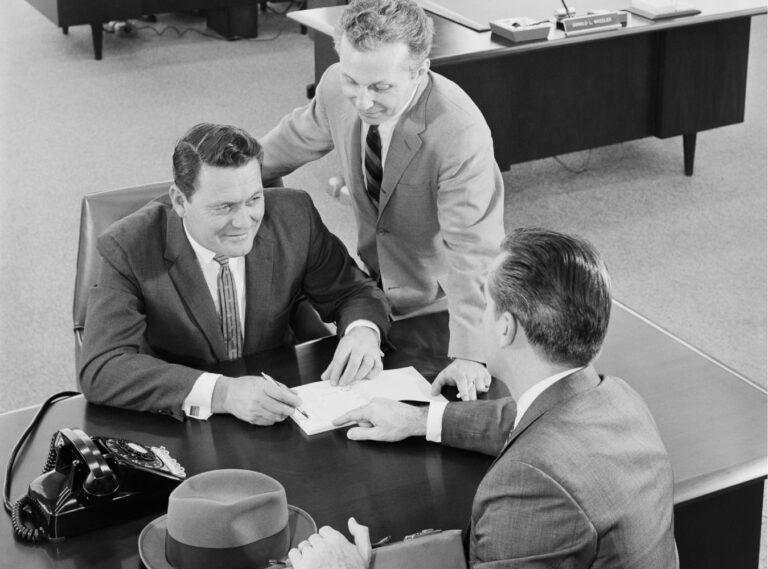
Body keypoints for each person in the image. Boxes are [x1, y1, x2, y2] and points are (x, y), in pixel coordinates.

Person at [287, 228, 679, 568]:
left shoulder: (528, 485)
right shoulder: (617, 398)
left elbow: (541, 462)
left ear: (506, 328)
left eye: (485, 299)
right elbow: (524, 420)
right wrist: (419, 420)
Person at [260, 0, 505, 400]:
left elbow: (473, 253)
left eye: (380, 87)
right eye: (353, 81)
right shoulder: (335, 87)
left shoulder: (458, 131)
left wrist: (471, 356)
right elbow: (276, 150)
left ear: (420, 70)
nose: (362, 101)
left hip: (441, 306)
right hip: (371, 286)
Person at [79, 123, 390, 425]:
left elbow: (353, 291)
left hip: (280, 400)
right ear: (179, 201)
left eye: (254, 199)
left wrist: (363, 330)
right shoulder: (128, 246)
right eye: (224, 207)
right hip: (186, 418)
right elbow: (102, 368)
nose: (244, 222)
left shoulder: (295, 215)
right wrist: (223, 392)